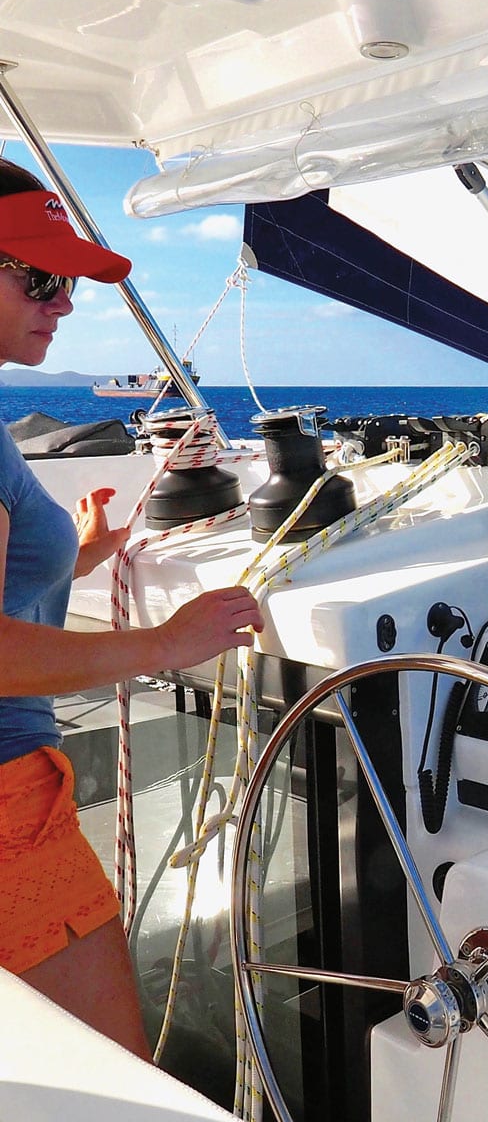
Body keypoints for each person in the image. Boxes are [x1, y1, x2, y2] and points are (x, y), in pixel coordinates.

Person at [0, 156, 264, 1057]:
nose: (63, 301)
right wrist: (167, 641)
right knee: (110, 1082)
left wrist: (77, 554)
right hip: (7, 819)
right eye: (39, 277)